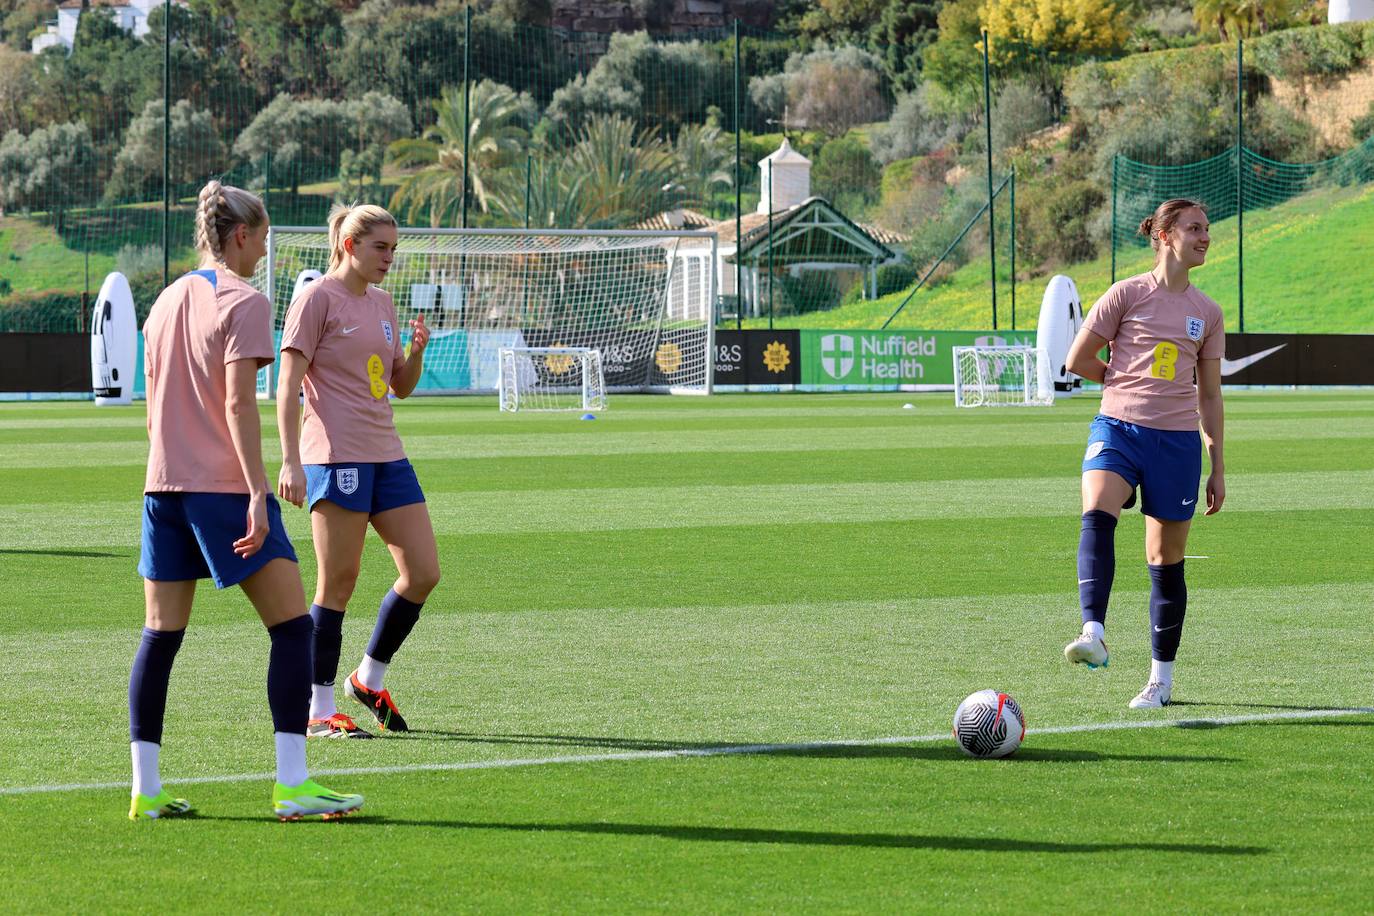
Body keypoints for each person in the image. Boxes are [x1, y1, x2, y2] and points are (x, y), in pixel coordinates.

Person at [131, 180, 363, 820]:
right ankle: (293, 784)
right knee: (293, 628)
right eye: (262, 238)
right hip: (221, 490)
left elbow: (154, 409)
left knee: (159, 635)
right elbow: (238, 403)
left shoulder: (165, 299)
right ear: (240, 236)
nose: (264, 251)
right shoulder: (245, 300)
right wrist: (258, 493)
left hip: (161, 487)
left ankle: (145, 791)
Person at [276, 204, 438, 739]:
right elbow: (287, 384)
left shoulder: (384, 303)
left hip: (387, 454)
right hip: (334, 457)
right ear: (350, 244)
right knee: (337, 584)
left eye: (393, 248)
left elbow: (400, 385)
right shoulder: (316, 299)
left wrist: (414, 352)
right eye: (381, 247)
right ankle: (319, 711)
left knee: (422, 572)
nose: (390, 258)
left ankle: (368, 678)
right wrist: (290, 460)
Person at [1061, 198, 1226, 709]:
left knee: (1165, 560)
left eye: (1207, 228)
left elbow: (1210, 395)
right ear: (1164, 235)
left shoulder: (1208, 313)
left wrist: (1217, 465)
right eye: (1195, 228)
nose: (1205, 237)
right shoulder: (1125, 294)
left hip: (1176, 443)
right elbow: (1077, 359)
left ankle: (1160, 681)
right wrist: (1121, 381)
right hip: (1117, 428)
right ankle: (1093, 630)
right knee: (1096, 511)